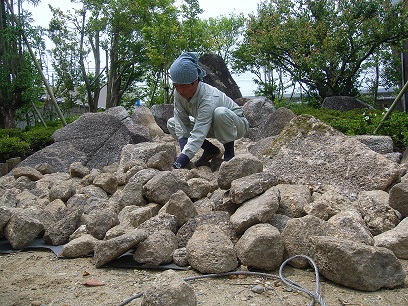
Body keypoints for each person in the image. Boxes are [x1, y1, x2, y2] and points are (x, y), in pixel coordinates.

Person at [167, 51, 249, 169]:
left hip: (236, 125)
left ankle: (229, 154)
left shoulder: (208, 96)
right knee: (172, 122)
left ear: (194, 82)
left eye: (183, 86)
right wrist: (183, 157)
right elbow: (181, 123)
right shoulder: (178, 94)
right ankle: (211, 150)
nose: (180, 91)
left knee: (220, 113)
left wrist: (182, 160)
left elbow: (199, 131)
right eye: (176, 86)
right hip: (211, 125)